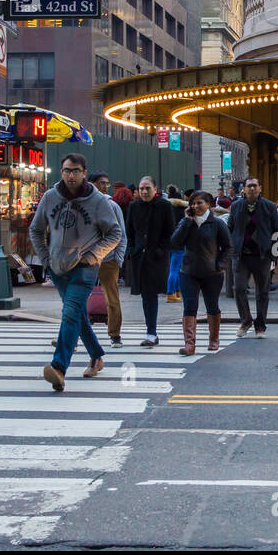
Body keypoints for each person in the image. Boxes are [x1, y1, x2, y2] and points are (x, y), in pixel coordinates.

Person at [31, 153, 122, 391]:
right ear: (61, 172)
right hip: (57, 267)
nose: (71, 175)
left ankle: (59, 367)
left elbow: (114, 233)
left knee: (70, 312)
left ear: (84, 172)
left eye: (76, 171)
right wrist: (45, 259)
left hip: (85, 267)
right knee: (77, 314)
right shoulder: (50, 197)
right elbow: (36, 229)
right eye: (67, 170)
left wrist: (93, 256)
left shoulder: (98, 201)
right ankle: (96, 355)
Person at [171, 190, 231, 354]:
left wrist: (220, 265)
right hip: (188, 271)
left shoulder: (217, 224)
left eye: (199, 203)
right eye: (192, 203)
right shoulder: (186, 222)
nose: (195, 206)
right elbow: (175, 242)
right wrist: (186, 221)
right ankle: (190, 344)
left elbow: (228, 247)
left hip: (212, 272)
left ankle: (214, 339)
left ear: (209, 204)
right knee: (189, 307)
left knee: (212, 306)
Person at [227, 176, 278, 337]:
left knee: (263, 292)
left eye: (254, 186)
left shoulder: (269, 207)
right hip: (241, 255)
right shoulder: (236, 206)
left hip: (262, 256)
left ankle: (260, 326)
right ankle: (246, 320)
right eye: (249, 186)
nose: (252, 188)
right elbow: (230, 228)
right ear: (243, 189)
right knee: (239, 288)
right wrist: (231, 249)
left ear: (260, 188)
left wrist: (274, 256)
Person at [127, 176, 177, 347]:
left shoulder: (164, 206)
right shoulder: (134, 206)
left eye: (147, 188)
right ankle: (151, 332)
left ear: (155, 189)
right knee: (145, 296)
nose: (144, 191)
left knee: (151, 295)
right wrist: (132, 250)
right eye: (141, 188)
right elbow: (130, 232)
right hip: (139, 257)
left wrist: (160, 249)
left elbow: (170, 231)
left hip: (156, 257)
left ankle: (151, 332)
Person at [89, 172, 128, 348]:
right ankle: (73, 335)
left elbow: (121, 233)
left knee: (112, 298)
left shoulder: (112, 206)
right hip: (85, 258)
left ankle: (115, 335)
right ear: (91, 184)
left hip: (108, 258)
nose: (104, 186)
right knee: (76, 298)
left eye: (106, 183)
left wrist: (118, 258)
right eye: (100, 183)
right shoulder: (83, 204)